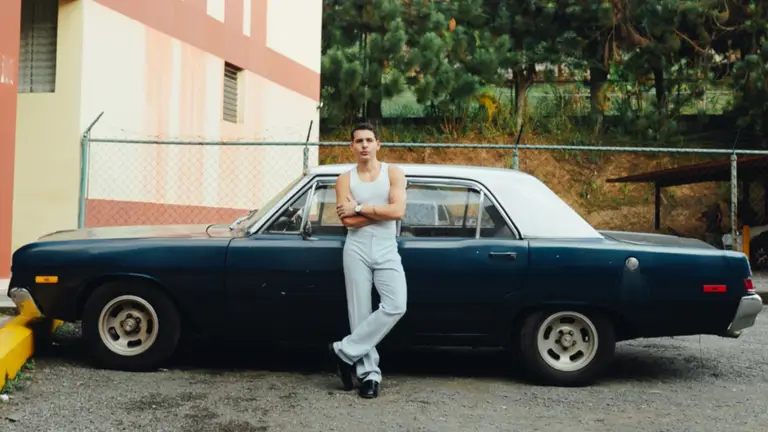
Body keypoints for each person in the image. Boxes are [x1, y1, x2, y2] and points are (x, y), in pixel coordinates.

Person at [328, 122, 408, 399]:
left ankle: (344, 350)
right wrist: (382, 212)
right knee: (359, 313)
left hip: (387, 247)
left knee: (396, 305)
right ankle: (369, 375)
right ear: (352, 146)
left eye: (369, 140)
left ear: (378, 144)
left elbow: (398, 211)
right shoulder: (345, 179)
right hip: (356, 248)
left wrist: (360, 207)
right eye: (359, 141)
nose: (364, 145)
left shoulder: (393, 173)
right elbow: (348, 221)